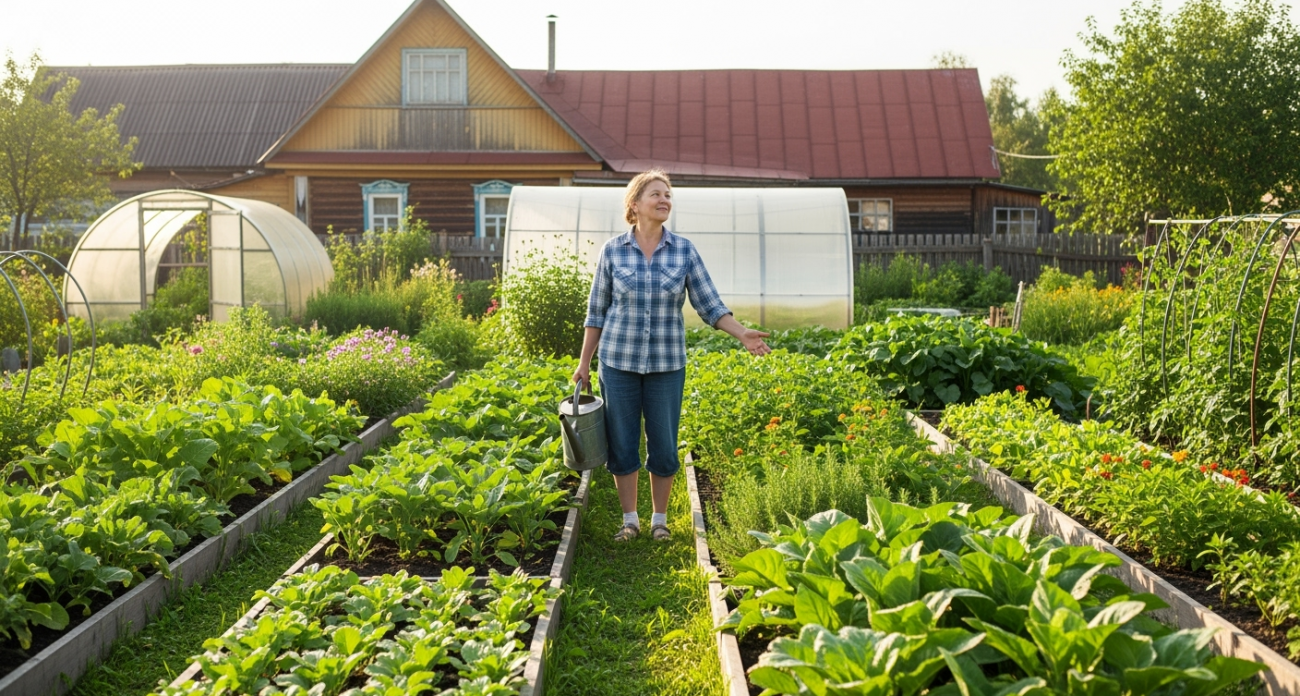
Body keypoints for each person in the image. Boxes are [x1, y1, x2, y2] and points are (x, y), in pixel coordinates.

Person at [573, 169, 771, 542]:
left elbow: (709, 305)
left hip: (666, 364)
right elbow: (596, 311)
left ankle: (659, 520)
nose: (665, 200)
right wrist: (585, 362)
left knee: (663, 442)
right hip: (618, 363)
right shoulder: (613, 251)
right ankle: (630, 519)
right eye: (656, 195)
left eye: (668, 195)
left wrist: (742, 332)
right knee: (623, 440)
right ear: (635, 205)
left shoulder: (683, 250)